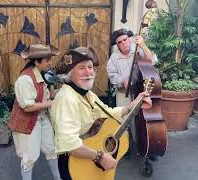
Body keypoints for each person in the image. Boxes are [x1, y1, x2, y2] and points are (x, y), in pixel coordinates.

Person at [50, 47, 152, 180]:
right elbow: (70, 144)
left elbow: (106, 112)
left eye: (90, 67)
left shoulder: (87, 94)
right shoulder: (66, 98)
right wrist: (100, 156)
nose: (88, 72)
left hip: (90, 156)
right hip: (74, 163)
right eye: (81, 68)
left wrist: (132, 105)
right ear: (69, 74)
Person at [8, 44, 61, 180]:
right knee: (29, 157)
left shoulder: (42, 74)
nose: (50, 63)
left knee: (51, 149)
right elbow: (27, 107)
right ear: (37, 62)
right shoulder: (25, 79)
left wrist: (63, 90)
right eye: (47, 60)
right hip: (28, 122)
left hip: (42, 118)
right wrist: (51, 104)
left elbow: (47, 93)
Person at [107, 28, 157, 159]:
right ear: (116, 45)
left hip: (142, 90)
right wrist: (121, 80)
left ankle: (148, 147)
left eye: (125, 39)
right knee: (123, 121)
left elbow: (153, 61)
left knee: (145, 121)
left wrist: (144, 45)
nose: (123, 43)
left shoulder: (138, 49)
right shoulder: (114, 57)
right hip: (124, 93)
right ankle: (125, 147)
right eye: (119, 42)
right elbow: (111, 76)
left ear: (129, 38)